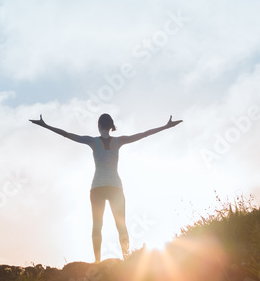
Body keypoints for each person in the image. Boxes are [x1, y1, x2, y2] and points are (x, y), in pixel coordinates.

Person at [29, 112, 181, 263]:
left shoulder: (92, 141)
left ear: (99, 125)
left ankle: (97, 261)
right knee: (121, 225)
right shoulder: (118, 141)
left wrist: (45, 125)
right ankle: (126, 258)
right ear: (111, 126)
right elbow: (144, 134)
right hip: (115, 187)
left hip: (97, 188)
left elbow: (67, 134)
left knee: (97, 225)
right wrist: (166, 127)